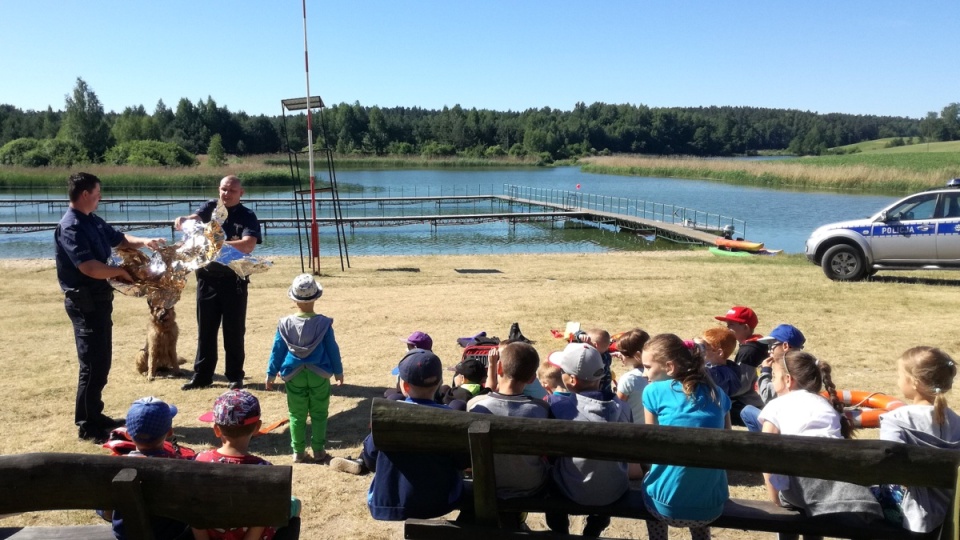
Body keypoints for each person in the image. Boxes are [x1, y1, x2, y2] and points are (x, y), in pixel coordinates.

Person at [55, 172, 165, 443]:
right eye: (97, 193)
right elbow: (88, 267)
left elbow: (119, 238)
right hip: (85, 303)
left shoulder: (91, 220)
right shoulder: (71, 226)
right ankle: (86, 426)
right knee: (91, 364)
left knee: (102, 360)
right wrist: (119, 272)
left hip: (100, 301)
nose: (100, 197)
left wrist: (145, 241)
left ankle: (96, 415)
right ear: (85, 195)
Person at [757, 350, 882, 531]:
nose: (772, 381)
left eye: (774, 376)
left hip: (801, 490)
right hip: (842, 487)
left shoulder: (776, 405)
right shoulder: (826, 405)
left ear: (787, 380)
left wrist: (775, 496)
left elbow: (764, 452)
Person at [346, 349, 467, 520]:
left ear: (404, 385)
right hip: (441, 501)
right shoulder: (451, 418)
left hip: (391, 501)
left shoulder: (387, 418)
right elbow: (461, 461)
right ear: (440, 382)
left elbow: (371, 459)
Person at [641, 334, 731, 540]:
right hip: (710, 507)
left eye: (647, 367)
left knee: (649, 480)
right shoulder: (717, 394)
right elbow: (728, 442)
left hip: (664, 507)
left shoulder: (652, 391)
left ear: (670, 367)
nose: (644, 373)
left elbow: (651, 442)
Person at [177, 175, 262, 391]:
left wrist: (215, 244)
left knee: (233, 331)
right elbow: (193, 220)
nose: (227, 194)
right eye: (224, 189)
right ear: (219, 189)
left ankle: (235, 376)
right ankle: (202, 375)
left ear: (241, 193)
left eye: (232, 190)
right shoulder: (210, 208)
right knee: (206, 329)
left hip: (233, 281)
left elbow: (248, 244)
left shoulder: (247, 216)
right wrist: (182, 221)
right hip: (207, 279)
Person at [546, 342, 631, 537]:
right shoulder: (623, 408)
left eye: (562, 372)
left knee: (549, 478)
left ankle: (559, 529)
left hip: (571, 489)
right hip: (614, 489)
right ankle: (595, 527)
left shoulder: (558, 407)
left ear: (572, 380)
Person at [193, 390, 300, 540]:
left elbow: (192, 509)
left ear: (217, 430)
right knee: (295, 504)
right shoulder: (264, 469)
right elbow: (264, 516)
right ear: (257, 427)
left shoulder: (199, 461)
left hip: (210, 535)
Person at [875, 346, 960, 533]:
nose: (897, 381)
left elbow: (887, 468)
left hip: (910, 514)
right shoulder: (957, 423)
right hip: (950, 511)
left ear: (914, 382)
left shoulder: (896, 420)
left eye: (899, 376)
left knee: (864, 500)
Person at [467, 342, 551, 527]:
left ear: (498, 368)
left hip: (487, 483)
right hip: (530, 485)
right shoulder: (541, 409)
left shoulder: (475, 406)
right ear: (531, 379)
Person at [266, 274, 344, 464]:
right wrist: (338, 371)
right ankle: (319, 450)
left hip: (294, 375)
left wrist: (270, 373)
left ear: (293, 299)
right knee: (319, 413)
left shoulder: (284, 323)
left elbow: (278, 350)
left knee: (296, 414)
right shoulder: (324, 323)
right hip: (319, 374)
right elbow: (332, 348)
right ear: (316, 297)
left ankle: (298, 451)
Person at [99, 397, 191, 540]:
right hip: (174, 536)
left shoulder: (113, 469)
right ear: (170, 432)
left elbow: (106, 513)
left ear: (128, 434)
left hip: (127, 535)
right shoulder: (184, 467)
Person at [740, 324, 806, 432]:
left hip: (784, 425)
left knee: (747, 411)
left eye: (772, 346)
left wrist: (765, 371)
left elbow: (767, 396)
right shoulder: (806, 365)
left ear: (785, 346)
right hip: (796, 422)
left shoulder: (785, 369)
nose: (769, 350)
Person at [713, 306, 766, 425]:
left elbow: (741, 386)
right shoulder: (758, 343)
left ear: (745, 327)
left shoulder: (749, 351)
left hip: (753, 404)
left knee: (714, 406)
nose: (727, 328)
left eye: (731, 325)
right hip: (757, 401)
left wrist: (719, 391)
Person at [612, 328, 651, 423]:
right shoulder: (660, 374)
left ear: (637, 355)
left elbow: (617, 409)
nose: (620, 355)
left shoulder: (629, 379)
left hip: (632, 430)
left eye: (623, 352)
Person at [384, 331, 433, 400]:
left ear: (415, 348)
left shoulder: (408, 363)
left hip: (410, 398)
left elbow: (400, 388)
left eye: (408, 346)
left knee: (390, 395)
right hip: (431, 398)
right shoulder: (434, 362)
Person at [699, 327, 740, 399]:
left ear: (719, 352)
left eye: (704, 347)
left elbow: (699, 373)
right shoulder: (727, 368)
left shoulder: (721, 374)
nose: (700, 350)